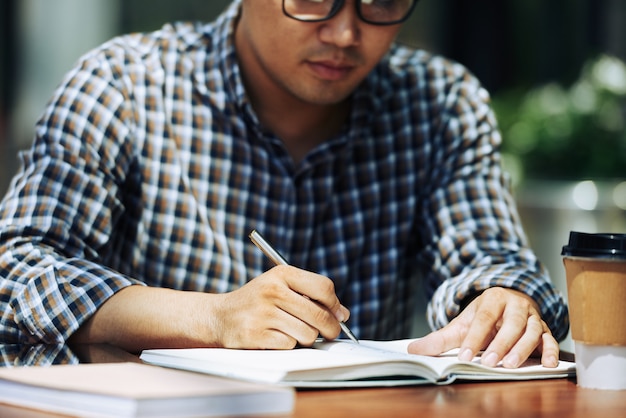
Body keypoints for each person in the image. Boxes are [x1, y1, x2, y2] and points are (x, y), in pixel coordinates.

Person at [0, 0, 568, 369]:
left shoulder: (439, 105)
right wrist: (212, 319)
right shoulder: (125, 86)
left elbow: (489, 255)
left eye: (383, 3)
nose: (346, 32)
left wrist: (504, 302)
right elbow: (17, 268)